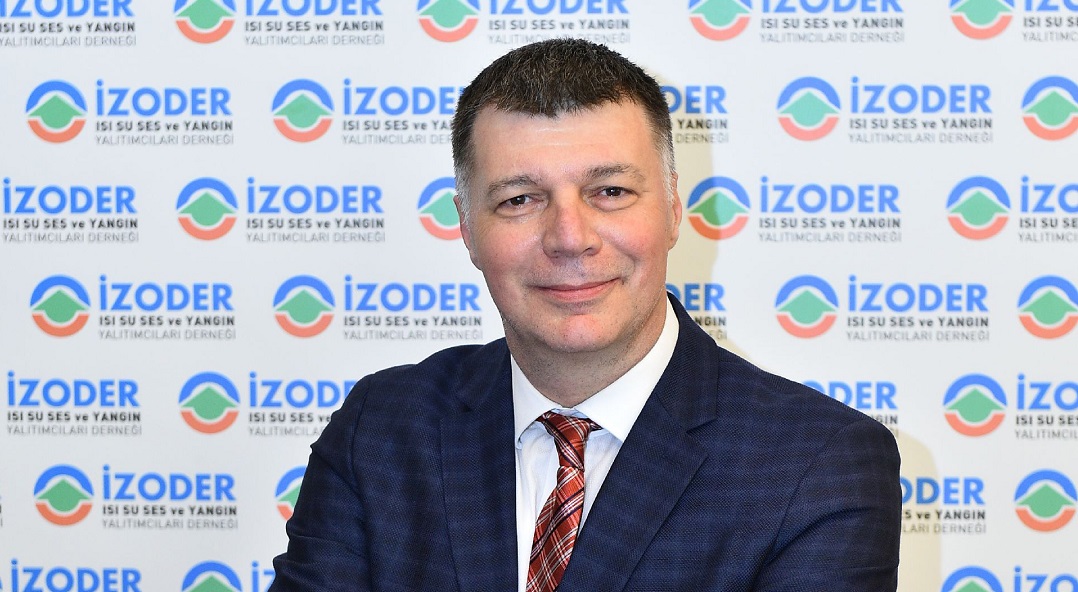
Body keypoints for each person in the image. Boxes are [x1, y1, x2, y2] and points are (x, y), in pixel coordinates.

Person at [270, 38, 901, 591]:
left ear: (673, 209)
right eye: (520, 199)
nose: (570, 238)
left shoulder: (818, 464)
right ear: (466, 228)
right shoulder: (381, 431)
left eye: (610, 192)